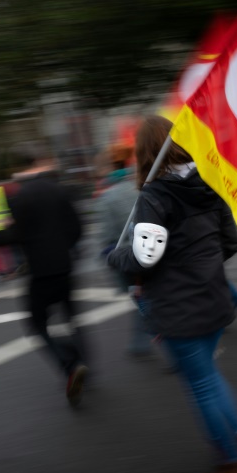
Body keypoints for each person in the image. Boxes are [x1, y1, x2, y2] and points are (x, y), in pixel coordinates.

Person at [107, 116, 237, 473]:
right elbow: (229, 243)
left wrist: (113, 257)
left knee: (201, 387)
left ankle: (234, 465)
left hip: (178, 307)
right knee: (210, 378)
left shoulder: (155, 195)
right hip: (213, 299)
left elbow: (144, 258)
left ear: (143, 153)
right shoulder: (209, 184)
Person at [5, 141, 88, 408]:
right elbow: (77, 228)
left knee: (37, 324)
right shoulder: (58, 189)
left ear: (19, 168)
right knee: (72, 316)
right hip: (64, 266)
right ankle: (84, 362)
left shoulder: (19, 197)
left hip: (40, 272)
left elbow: (16, 236)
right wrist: (64, 247)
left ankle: (69, 362)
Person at [95, 144, 154, 358]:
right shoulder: (140, 186)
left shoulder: (107, 197)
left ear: (110, 166)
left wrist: (104, 257)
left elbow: (107, 234)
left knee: (142, 300)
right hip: (150, 250)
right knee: (145, 297)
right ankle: (139, 343)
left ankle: (172, 348)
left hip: (127, 257)